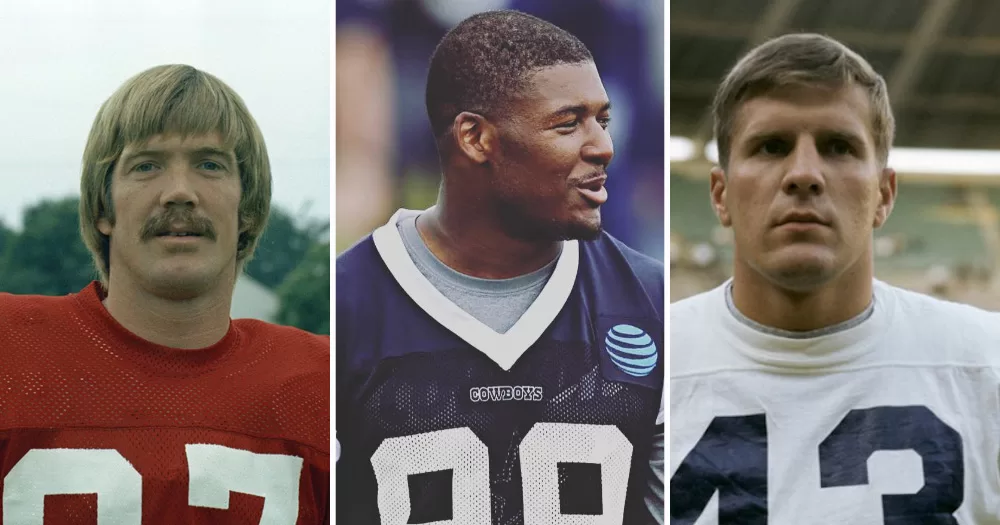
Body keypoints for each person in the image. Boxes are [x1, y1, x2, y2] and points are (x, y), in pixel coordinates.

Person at [336, 9, 664, 525]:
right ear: (475, 138)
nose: (604, 147)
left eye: (603, 120)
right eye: (567, 123)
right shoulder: (343, 305)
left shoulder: (652, 300)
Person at [670, 33, 1000, 523]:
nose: (804, 174)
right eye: (771, 146)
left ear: (885, 195)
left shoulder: (987, 366)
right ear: (720, 195)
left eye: (839, 147)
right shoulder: (633, 369)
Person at [0, 65, 330, 523]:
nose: (179, 192)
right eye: (146, 165)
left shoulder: (324, 385)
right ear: (103, 207)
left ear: (248, 210)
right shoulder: (11, 350)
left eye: (210, 164)